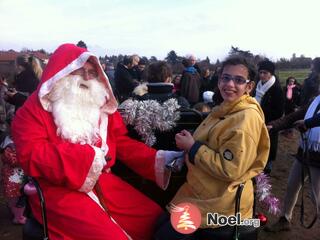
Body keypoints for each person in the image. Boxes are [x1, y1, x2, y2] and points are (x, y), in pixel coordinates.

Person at [11, 43, 183, 240]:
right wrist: (86, 158)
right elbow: (32, 154)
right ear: (61, 73)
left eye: (92, 72)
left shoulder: (101, 107)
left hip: (103, 183)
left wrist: (161, 159)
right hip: (56, 190)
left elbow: (121, 143)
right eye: (79, 70)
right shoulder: (32, 110)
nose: (86, 77)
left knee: (155, 219)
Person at [155, 57, 270, 239]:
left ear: (249, 86)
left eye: (239, 80)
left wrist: (192, 147)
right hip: (203, 191)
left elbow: (230, 169)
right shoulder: (227, 108)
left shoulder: (245, 119)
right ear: (219, 80)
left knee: (165, 236)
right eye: (225, 78)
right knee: (160, 224)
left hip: (221, 202)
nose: (230, 84)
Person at [264, 93, 320, 232]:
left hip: (318, 157)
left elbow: (309, 120)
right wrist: (274, 126)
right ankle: (285, 219)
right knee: (292, 186)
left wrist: (307, 123)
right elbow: (295, 116)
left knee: (316, 197)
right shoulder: (316, 100)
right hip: (305, 151)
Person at [254, 59, 284, 173]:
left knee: (268, 146)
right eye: (260, 72)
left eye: (265, 73)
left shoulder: (276, 89)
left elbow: (279, 112)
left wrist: (261, 110)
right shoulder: (257, 86)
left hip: (270, 124)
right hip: (257, 122)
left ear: (271, 73)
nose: (262, 75)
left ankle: (267, 167)